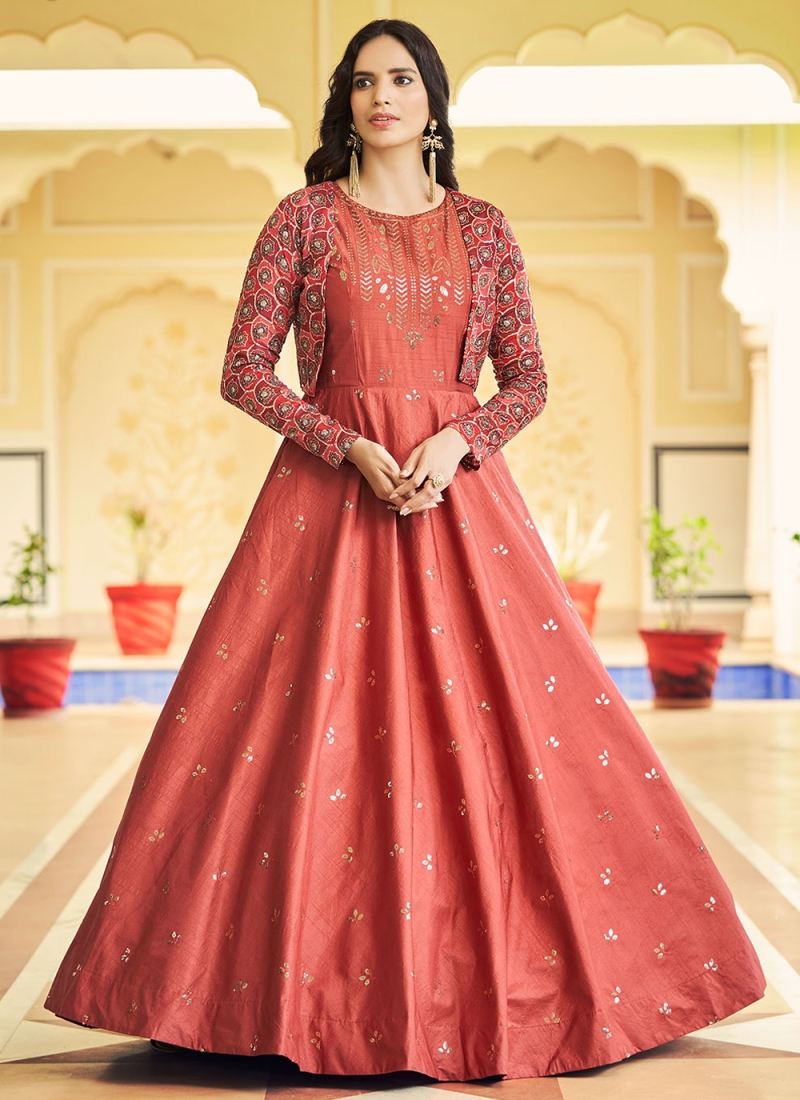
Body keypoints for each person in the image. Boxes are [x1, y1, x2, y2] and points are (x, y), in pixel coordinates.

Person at [45, 18, 765, 1083]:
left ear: (431, 100)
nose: (381, 95)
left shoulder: (482, 229)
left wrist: (453, 438)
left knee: (519, 734)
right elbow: (245, 371)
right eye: (362, 81)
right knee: (296, 742)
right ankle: (250, 995)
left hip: (458, 501)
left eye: (400, 79)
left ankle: (559, 981)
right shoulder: (301, 220)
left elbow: (526, 379)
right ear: (343, 104)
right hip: (324, 508)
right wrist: (348, 448)